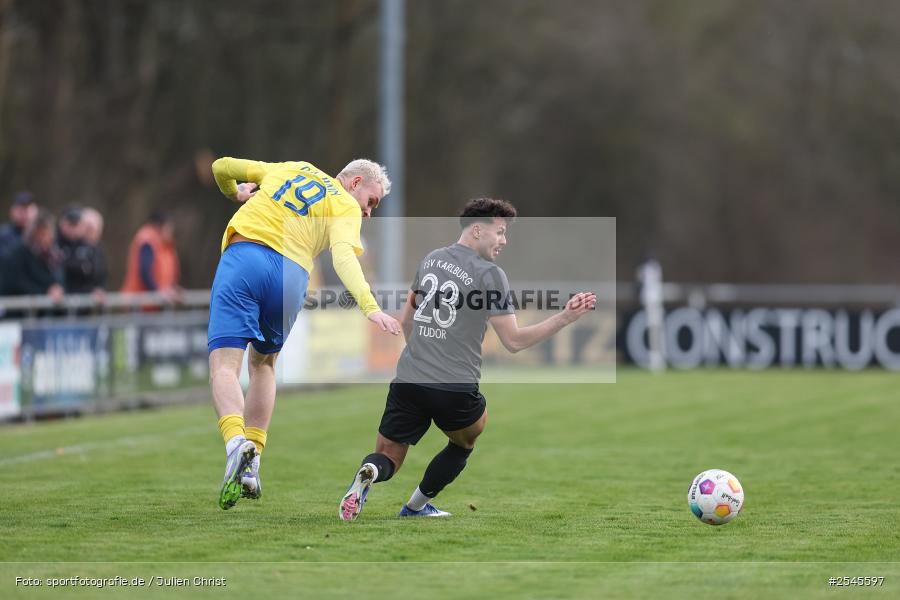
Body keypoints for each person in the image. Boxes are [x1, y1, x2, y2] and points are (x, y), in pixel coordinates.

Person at [339, 198, 597, 521]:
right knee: (466, 439)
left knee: (387, 456)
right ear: (477, 229)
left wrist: (420, 357)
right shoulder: (491, 275)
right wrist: (565, 318)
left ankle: (369, 473)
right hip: (454, 386)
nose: (504, 240)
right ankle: (415, 507)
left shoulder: (431, 259)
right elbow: (513, 341)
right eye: (500, 232)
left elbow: (407, 320)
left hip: (409, 378)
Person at [208, 156, 401, 510]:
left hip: (246, 254)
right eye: (371, 202)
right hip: (291, 275)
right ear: (355, 183)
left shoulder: (292, 168)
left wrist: (234, 193)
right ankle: (252, 465)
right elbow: (344, 257)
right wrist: (370, 308)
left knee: (224, 365)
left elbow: (221, 166)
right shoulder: (343, 203)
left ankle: (237, 445)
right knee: (264, 365)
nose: (369, 212)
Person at [1, 208, 64, 302]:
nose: (44, 238)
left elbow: (60, 278)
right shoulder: (19, 253)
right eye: (41, 233)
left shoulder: (55, 254)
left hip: (47, 309)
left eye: (47, 233)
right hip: (21, 309)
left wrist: (58, 288)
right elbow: (16, 282)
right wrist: (45, 291)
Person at [120, 211, 181, 302]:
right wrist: (158, 293)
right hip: (140, 304)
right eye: (168, 227)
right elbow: (145, 272)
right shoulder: (147, 242)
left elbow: (163, 273)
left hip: (151, 305)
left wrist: (172, 287)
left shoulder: (163, 245)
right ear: (160, 226)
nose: (171, 231)